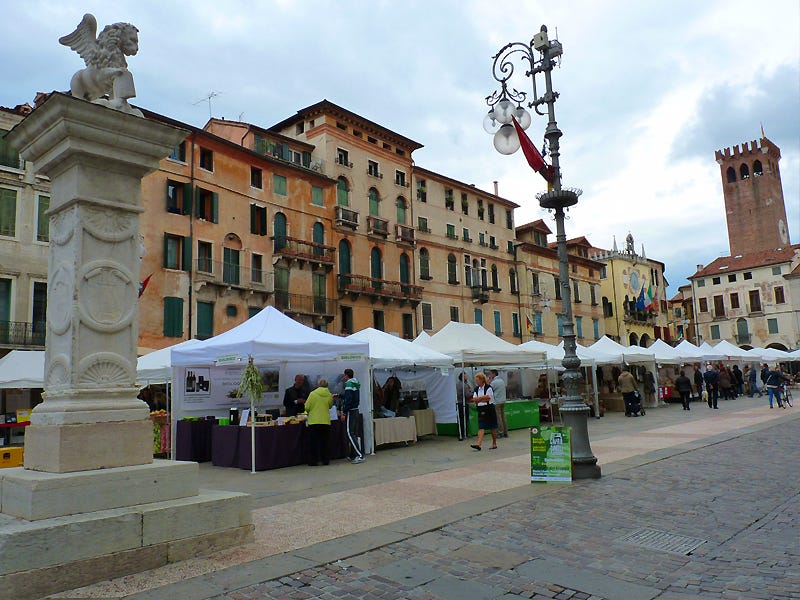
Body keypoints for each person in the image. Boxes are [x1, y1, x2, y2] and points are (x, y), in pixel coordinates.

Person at [304, 378, 334, 466]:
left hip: (314, 421)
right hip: (325, 421)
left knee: (313, 442)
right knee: (325, 442)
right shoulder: (329, 394)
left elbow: (307, 407)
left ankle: (313, 461)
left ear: (318, 385)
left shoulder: (312, 394)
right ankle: (325, 460)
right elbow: (330, 406)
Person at [337, 368, 364, 463]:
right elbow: (350, 396)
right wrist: (339, 396)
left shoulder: (348, 384)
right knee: (354, 433)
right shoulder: (355, 383)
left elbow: (348, 399)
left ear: (346, 375)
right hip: (356, 409)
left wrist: (344, 412)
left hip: (351, 411)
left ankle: (359, 455)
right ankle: (353, 455)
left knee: (350, 433)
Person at [470, 372, 498, 451]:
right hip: (481, 409)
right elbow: (474, 400)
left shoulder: (489, 388)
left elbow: (488, 398)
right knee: (481, 426)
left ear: (482, 380)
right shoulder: (476, 389)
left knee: (492, 427)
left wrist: (479, 398)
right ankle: (478, 444)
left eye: (477, 380)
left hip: (489, 409)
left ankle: (494, 443)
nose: (476, 382)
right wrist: (482, 398)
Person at [488, 369, 508, 438]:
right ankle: (505, 432)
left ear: (493, 374)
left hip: (497, 402)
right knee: (503, 417)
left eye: (490, 374)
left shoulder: (494, 382)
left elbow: (489, 389)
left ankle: (500, 432)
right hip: (503, 401)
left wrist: (489, 381)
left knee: (498, 417)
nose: (489, 375)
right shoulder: (502, 381)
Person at [455, 372, 471, 440]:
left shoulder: (457, 384)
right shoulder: (464, 385)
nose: (467, 376)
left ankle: (461, 433)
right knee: (464, 419)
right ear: (463, 377)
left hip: (459, 403)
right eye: (466, 375)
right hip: (463, 403)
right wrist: (473, 393)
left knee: (461, 419)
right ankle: (465, 434)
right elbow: (467, 395)